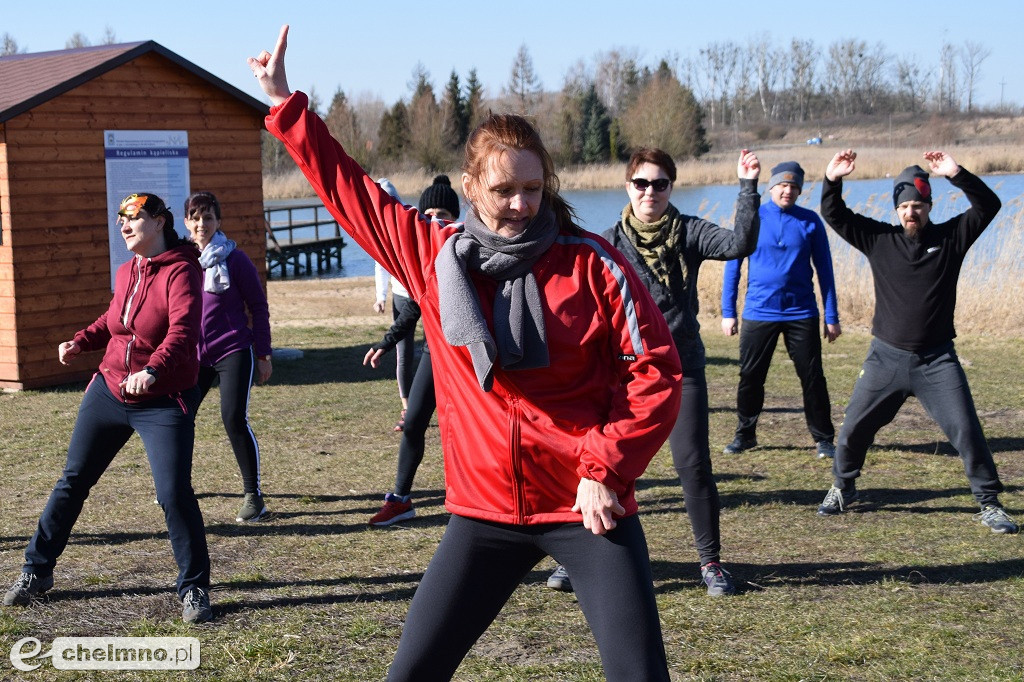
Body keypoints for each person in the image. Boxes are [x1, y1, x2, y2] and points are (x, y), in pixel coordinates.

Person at [250, 25, 682, 681]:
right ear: (471, 184)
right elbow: (351, 194)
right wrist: (285, 105)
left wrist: (605, 467)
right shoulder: (433, 255)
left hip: (585, 504)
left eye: (533, 190)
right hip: (483, 513)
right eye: (505, 190)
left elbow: (655, 373)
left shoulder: (593, 264)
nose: (521, 204)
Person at [551, 147, 760, 599]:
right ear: (628, 187)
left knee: (693, 466)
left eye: (660, 183)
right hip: (624, 378)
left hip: (681, 369)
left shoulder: (689, 233)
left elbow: (740, 244)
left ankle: (711, 563)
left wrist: (747, 187)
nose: (650, 191)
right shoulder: (609, 242)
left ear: (671, 188)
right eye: (641, 183)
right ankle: (579, 556)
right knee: (605, 466)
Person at [3, 193, 214, 623]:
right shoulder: (128, 269)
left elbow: (184, 329)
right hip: (109, 390)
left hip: (161, 399)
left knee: (173, 494)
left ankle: (194, 588)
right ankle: (36, 571)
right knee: (72, 481)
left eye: (133, 217)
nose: (124, 225)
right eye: (119, 219)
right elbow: (114, 321)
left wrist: (153, 370)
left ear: (158, 221)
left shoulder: (181, 270)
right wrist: (81, 340)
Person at [815, 149, 1018, 534]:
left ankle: (989, 503)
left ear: (929, 205)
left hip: (937, 361)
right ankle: (842, 487)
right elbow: (834, 214)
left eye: (919, 205)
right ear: (897, 209)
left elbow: (989, 205)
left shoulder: (952, 238)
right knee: (853, 428)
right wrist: (832, 179)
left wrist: (956, 173)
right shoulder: (878, 239)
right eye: (905, 205)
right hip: (885, 359)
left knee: (966, 429)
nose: (912, 212)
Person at [720, 161, 841, 459]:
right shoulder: (753, 218)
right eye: (782, 185)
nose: (787, 190)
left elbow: (825, 271)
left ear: (799, 190)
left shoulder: (810, 221)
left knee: (812, 377)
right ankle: (745, 434)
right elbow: (733, 267)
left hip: (802, 313)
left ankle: (824, 439)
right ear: (771, 187)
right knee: (750, 376)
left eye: (794, 186)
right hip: (759, 312)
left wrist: (832, 316)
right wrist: (728, 311)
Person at [364, 177, 460, 527]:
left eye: (444, 213)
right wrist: (385, 343)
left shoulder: (469, 248)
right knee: (413, 422)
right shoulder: (426, 259)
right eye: (429, 213)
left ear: (457, 217)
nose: (436, 220)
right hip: (435, 355)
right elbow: (414, 309)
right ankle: (401, 499)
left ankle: (476, 503)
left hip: (471, 360)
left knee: (466, 431)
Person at [183, 191, 273, 523]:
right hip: (194, 356)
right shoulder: (182, 261)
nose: (201, 224)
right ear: (186, 223)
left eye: (208, 217)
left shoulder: (236, 260)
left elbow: (259, 308)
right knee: (178, 418)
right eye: (195, 217)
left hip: (233, 349)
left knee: (233, 418)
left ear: (218, 222)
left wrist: (263, 354)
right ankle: (177, 486)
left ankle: (254, 496)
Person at [372, 178, 416, 432]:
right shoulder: (378, 231)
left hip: (423, 293)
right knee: (403, 352)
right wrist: (381, 296)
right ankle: (407, 407)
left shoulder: (410, 221)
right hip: (401, 295)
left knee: (437, 349)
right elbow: (380, 264)